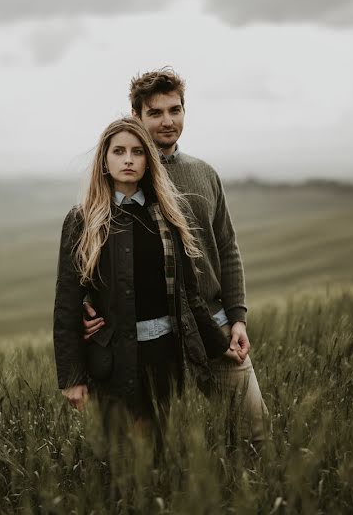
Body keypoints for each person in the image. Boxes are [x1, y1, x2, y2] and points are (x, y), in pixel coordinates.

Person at [83, 68, 271, 446]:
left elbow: (228, 248)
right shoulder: (125, 177)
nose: (168, 121)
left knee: (255, 430)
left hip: (211, 324)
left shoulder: (204, 174)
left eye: (175, 110)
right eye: (155, 113)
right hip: (152, 337)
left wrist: (237, 317)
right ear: (135, 116)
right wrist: (87, 303)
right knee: (149, 445)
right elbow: (92, 249)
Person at [53, 117, 242, 433]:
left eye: (138, 152)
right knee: (126, 462)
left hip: (165, 358)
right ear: (105, 159)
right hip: (114, 362)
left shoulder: (167, 215)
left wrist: (220, 345)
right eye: (119, 151)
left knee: (163, 455)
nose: (128, 159)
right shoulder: (82, 221)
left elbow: (190, 295)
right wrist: (71, 378)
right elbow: (67, 303)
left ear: (148, 160)